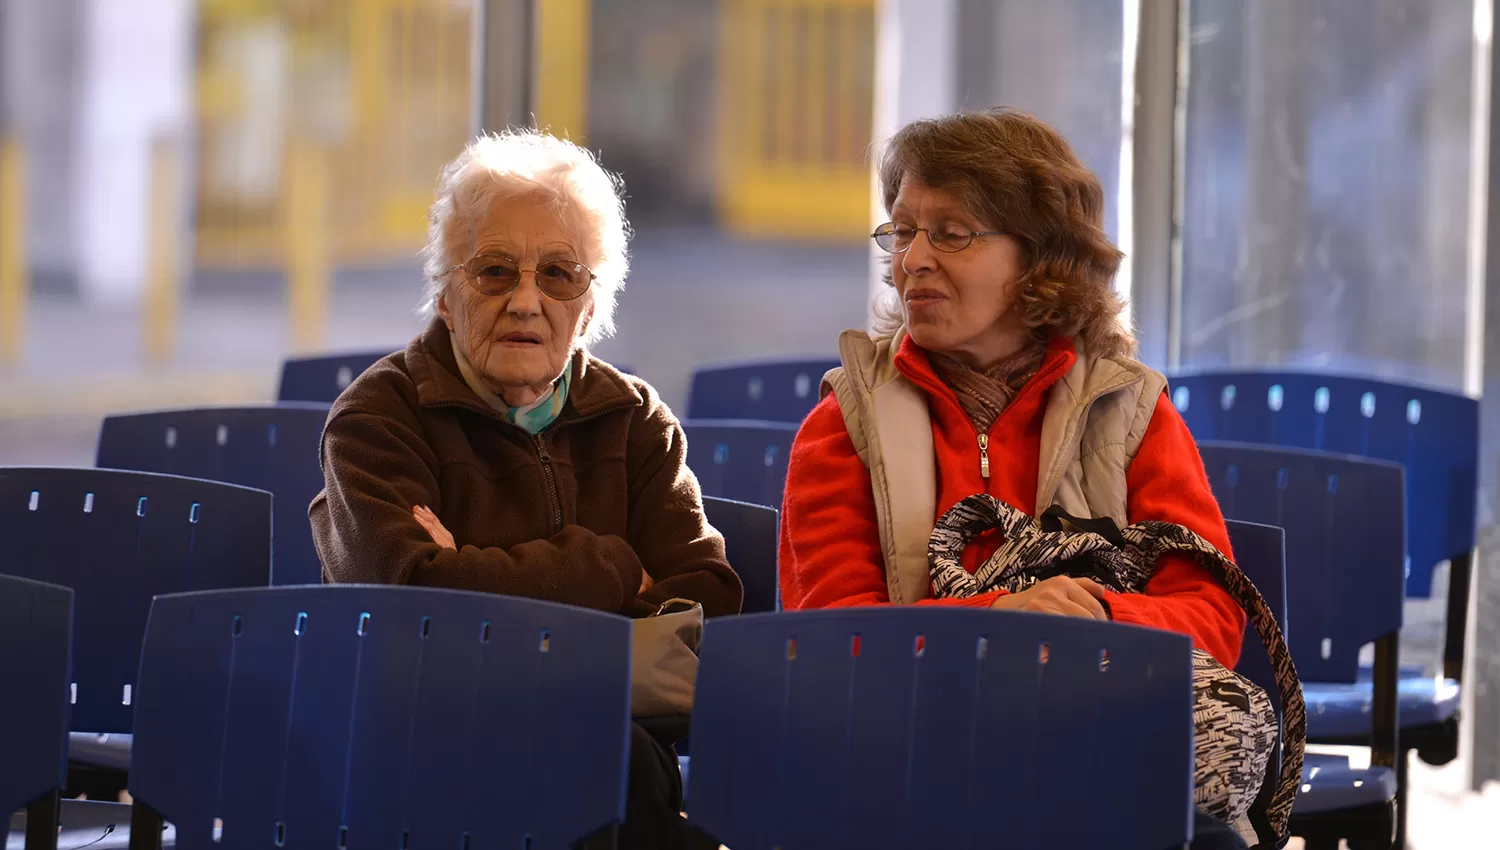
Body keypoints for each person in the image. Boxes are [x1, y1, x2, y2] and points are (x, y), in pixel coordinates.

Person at [779, 108, 1250, 849]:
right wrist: (1002, 624)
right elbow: (836, 643)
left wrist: (1093, 622)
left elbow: (1213, 614)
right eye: (903, 231)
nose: (912, 260)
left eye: (952, 232)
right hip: (906, 766)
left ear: (1041, 258)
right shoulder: (845, 423)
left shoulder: (1131, 411)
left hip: (1091, 742)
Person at [310, 129, 740, 849]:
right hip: (425, 760)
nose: (525, 301)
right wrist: (610, 567)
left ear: (591, 305)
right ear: (445, 295)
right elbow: (408, 605)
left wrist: (471, 575)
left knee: (614, 762)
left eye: (560, 274)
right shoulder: (377, 418)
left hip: (613, 745)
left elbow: (706, 603)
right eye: (494, 271)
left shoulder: (635, 421)